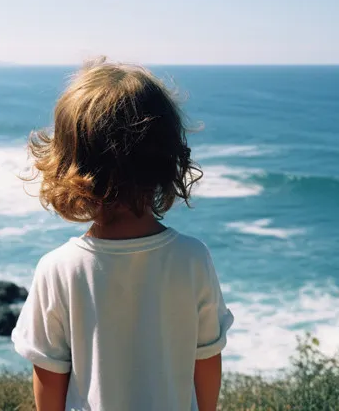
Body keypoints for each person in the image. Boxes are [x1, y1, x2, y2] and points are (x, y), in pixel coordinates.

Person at [12, 59, 233, 411]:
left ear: (70, 165)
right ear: (168, 159)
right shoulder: (192, 258)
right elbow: (206, 359)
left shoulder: (58, 268)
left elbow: (49, 375)